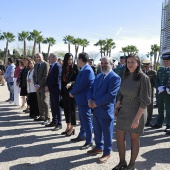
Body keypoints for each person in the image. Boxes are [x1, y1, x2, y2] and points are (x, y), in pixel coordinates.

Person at [112, 54, 151, 170]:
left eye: (132, 62)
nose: (130, 64)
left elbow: (145, 101)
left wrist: (136, 118)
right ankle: (122, 162)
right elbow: (120, 93)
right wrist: (117, 107)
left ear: (138, 63)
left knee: (134, 138)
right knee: (119, 136)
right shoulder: (125, 75)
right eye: (128, 62)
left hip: (137, 111)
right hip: (124, 111)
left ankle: (132, 164)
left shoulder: (144, 78)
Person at [87, 56, 121, 164]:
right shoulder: (98, 76)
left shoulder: (115, 77)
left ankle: (107, 152)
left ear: (111, 64)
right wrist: (89, 100)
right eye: (102, 63)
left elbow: (111, 95)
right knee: (97, 130)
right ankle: (99, 147)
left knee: (107, 132)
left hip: (106, 110)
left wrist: (96, 103)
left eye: (106, 63)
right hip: (95, 109)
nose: (103, 65)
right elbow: (91, 89)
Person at [69, 52, 95, 150]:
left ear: (80, 60)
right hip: (81, 99)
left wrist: (72, 92)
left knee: (86, 120)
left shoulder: (87, 70)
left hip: (84, 99)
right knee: (82, 119)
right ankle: (82, 135)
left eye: (77, 60)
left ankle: (89, 141)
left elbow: (82, 85)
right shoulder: (84, 69)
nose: (77, 62)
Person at [61, 53, 79, 136]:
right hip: (64, 91)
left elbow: (78, 79)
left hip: (72, 91)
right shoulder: (63, 67)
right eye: (68, 59)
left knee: (72, 110)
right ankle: (68, 126)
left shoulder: (75, 67)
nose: (70, 61)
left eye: (71, 59)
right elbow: (61, 80)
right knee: (66, 109)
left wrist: (71, 83)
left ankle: (72, 127)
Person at [151, 54, 170, 132]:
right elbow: (156, 79)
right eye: (164, 61)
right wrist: (158, 86)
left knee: (168, 109)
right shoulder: (160, 69)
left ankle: (168, 125)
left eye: (167, 61)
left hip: (167, 92)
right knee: (160, 108)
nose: (165, 62)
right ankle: (159, 123)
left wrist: (165, 88)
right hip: (160, 92)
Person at [45, 53, 62, 130]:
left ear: (54, 58)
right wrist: (47, 85)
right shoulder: (52, 66)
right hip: (52, 89)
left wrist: (48, 86)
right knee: (52, 106)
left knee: (57, 106)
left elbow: (56, 79)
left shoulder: (58, 66)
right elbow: (49, 78)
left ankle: (59, 123)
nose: (49, 58)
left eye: (50, 57)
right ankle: (54, 120)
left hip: (56, 89)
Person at [33, 53, 50, 125]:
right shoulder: (36, 65)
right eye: (37, 57)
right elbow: (34, 76)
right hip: (37, 87)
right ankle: (41, 116)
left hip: (43, 87)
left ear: (42, 57)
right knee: (39, 102)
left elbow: (45, 76)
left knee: (45, 102)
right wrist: (36, 84)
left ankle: (47, 118)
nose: (38, 58)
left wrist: (39, 85)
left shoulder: (45, 64)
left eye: (39, 57)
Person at [142, 60, 157, 126]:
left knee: (149, 106)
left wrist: (151, 87)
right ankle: (142, 120)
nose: (145, 68)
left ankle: (149, 120)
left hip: (150, 91)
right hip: (142, 91)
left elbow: (155, 82)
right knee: (141, 105)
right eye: (144, 66)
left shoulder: (153, 72)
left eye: (146, 66)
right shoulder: (141, 72)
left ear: (149, 65)